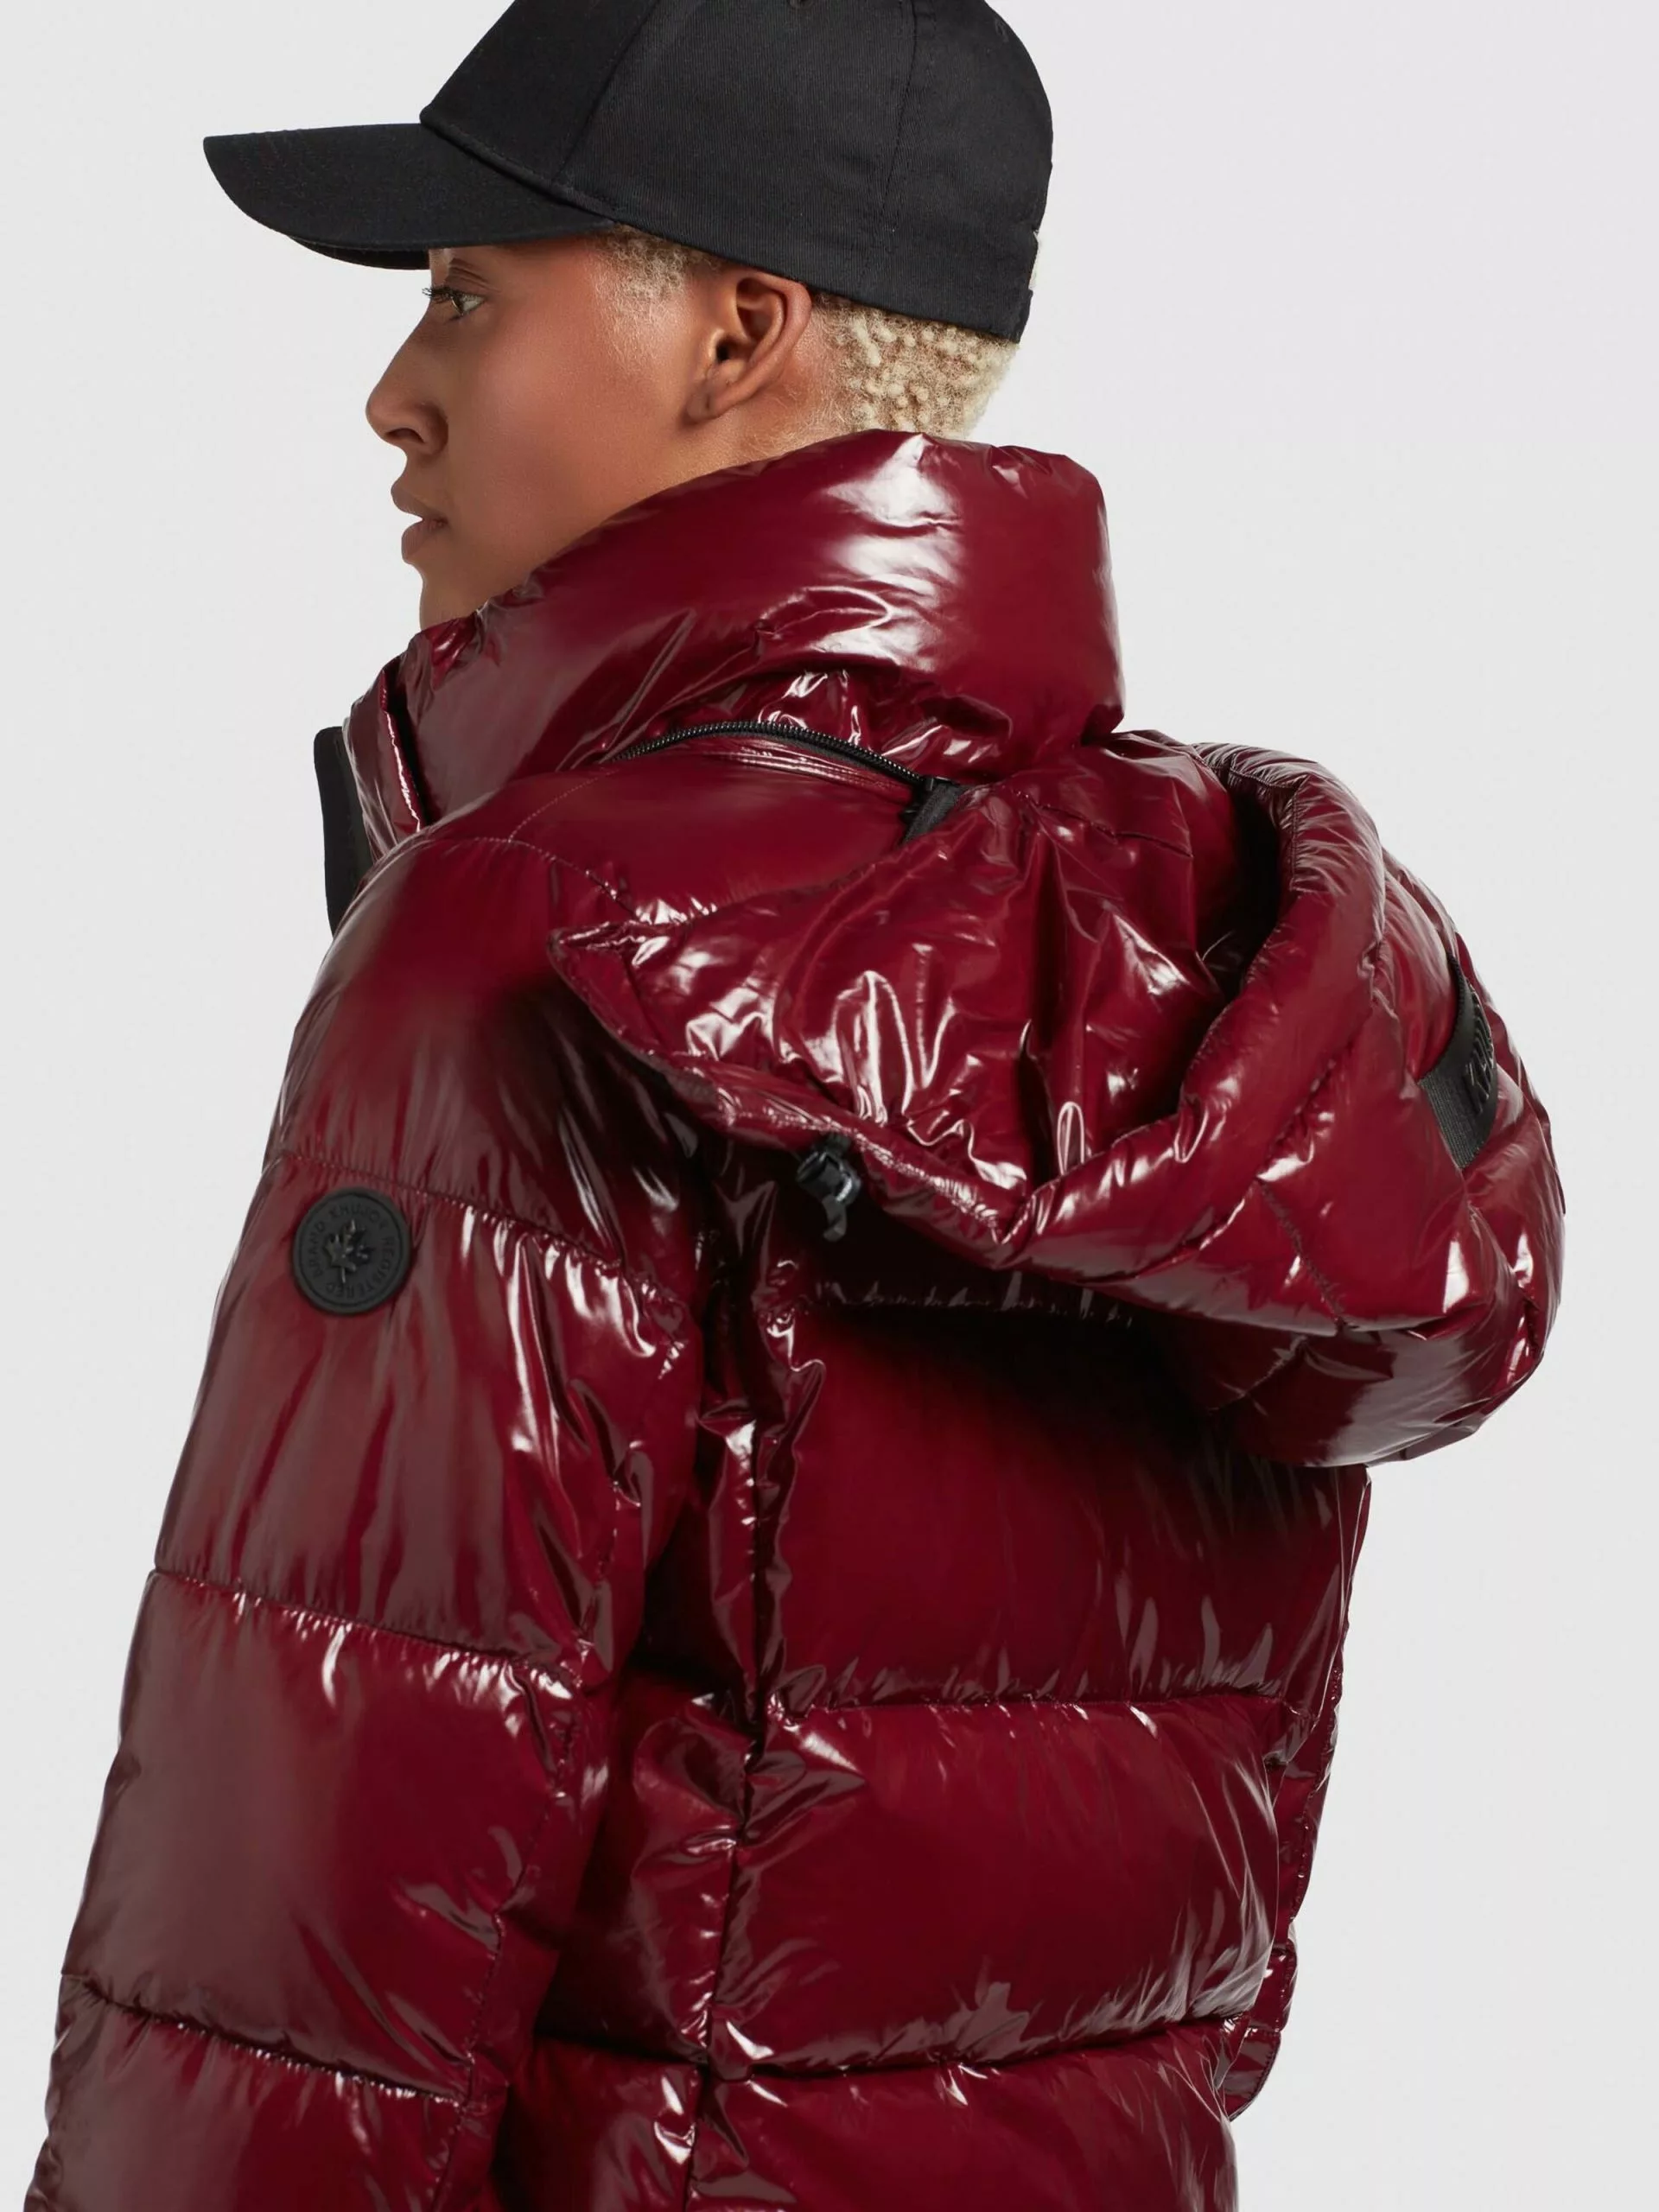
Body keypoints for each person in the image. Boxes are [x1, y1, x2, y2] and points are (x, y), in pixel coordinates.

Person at [24, 4, 1565, 2209]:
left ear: (737, 335)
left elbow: (315, 1921)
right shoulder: (1224, 967)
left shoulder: (540, 935)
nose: (393, 392)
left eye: (464, 292)